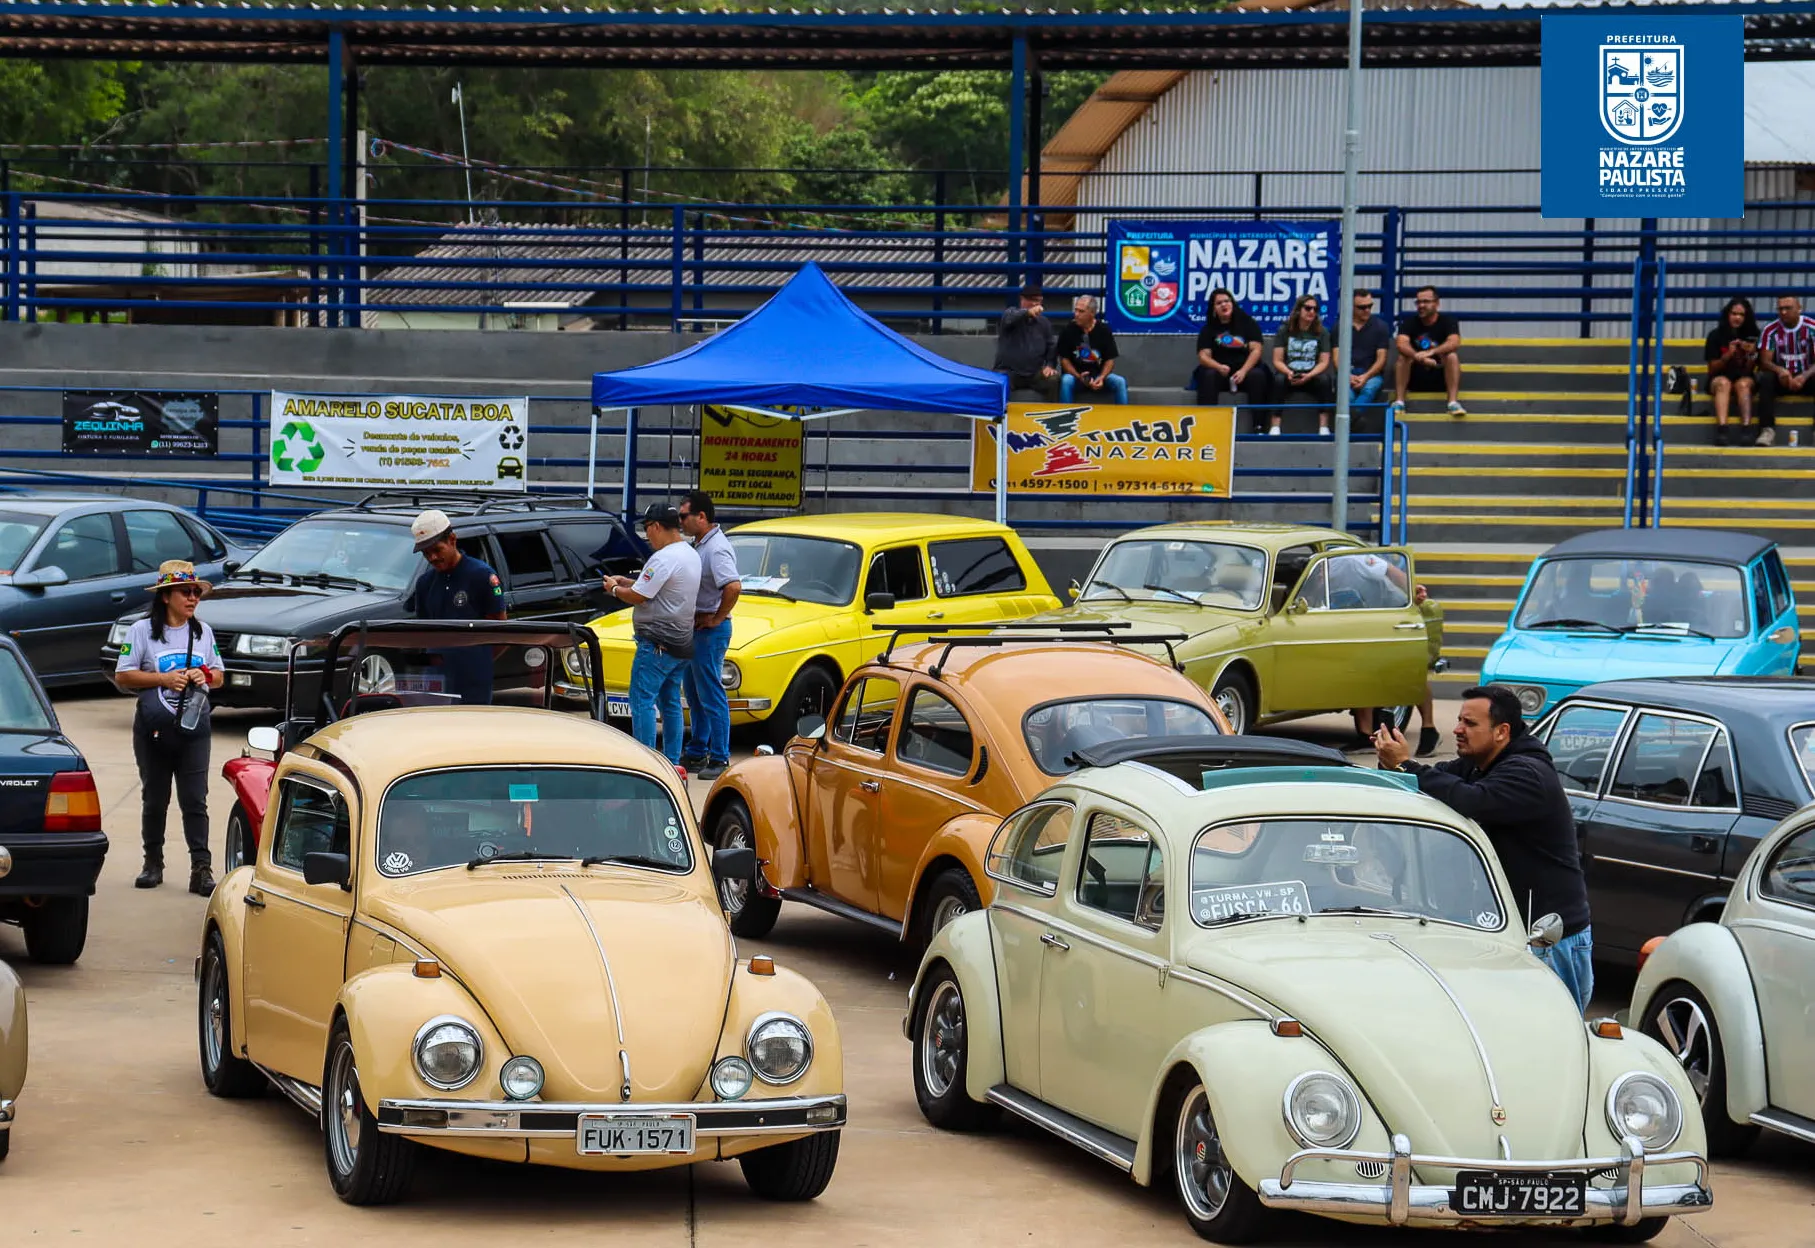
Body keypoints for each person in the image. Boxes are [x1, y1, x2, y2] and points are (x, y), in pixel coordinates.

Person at [1374, 686, 1594, 1011]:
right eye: (1460, 720)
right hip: (1508, 931)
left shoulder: (1527, 773)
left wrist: (1406, 764)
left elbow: (1473, 801)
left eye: (1470, 723)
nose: (1457, 729)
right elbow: (1434, 782)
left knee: (1553, 1032)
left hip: (1548, 938)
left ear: (1502, 731)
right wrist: (1395, 765)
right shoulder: (1479, 763)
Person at [113, 561, 225, 895]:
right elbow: (123, 675)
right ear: (166, 596)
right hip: (154, 729)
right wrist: (163, 678)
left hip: (195, 728)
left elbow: (219, 675)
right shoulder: (140, 631)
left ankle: (201, 869)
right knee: (154, 798)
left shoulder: (202, 632)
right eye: (185, 592)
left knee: (195, 800)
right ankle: (153, 863)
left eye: (196, 592)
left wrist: (202, 675)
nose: (193, 598)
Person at [605, 503, 701, 764]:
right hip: (682, 643)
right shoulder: (689, 553)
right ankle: (671, 762)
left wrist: (615, 589)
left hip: (657, 645)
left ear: (656, 526)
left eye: (648, 530)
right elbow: (657, 588)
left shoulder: (664, 557)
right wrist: (627, 582)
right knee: (670, 702)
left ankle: (644, 762)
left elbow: (638, 595)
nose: (648, 538)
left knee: (642, 701)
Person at [405, 508, 506, 705]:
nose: (432, 557)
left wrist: (477, 661)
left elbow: (501, 631)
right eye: (426, 553)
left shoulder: (481, 576)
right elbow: (424, 633)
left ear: (452, 540)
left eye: (437, 550)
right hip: (435, 679)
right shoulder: (425, 583)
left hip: (473, 680)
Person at [678, 490, 740, 780]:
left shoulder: (717, 549)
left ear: (701, 517)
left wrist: (716, 618)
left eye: (683, 516)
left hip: (709, 631)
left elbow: (733, 586)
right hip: (698, 628)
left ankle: (719, 756)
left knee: (711, 693)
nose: (680, 522)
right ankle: (697, 750)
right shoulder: (701, 544)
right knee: (694, 692)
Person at [1392, 286, 1466, 418]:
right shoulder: (1409, 322)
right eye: (1418, 302)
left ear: (1437, 303)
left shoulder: (1448, 321)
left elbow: (1454, 342)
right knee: (1403, 358)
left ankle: (1453, 403)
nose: (1421, 305)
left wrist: (1431, 352)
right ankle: (1399, 401)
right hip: (1415, 375)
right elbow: (1401, 343)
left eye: (1426, 302)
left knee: (1452, 356)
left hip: (1440, 374)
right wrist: (1418, 357)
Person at [1195, 288, 1271, 412]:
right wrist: (1218, 367)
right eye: (1219, 303)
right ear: (1214, 308)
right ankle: (1207, 422)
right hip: (1221, 371)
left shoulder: (1248, 323)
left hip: (1244, 371)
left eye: (1227, 301)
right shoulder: (1208, 329)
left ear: (1233, 303)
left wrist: (1243, 371)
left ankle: (1259, 427)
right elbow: (1203, 356)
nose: (1224, 305)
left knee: (1258, 376)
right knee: (1208, 376)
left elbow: (1256, 350)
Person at [1269, 294, 1335, 436]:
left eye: (1315, 309)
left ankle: (1324, 427)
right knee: (1278, 380)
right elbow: (1277, 360)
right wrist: (1288, 372)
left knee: (1325, 381)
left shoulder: (1322, 332)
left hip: (1311, 374)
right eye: (1308, 308)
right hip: (1289, 373)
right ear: (1299, 310)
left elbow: (1324, 361)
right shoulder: (1284, 330)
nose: (1312, 312)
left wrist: (1310, 375)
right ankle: (1275, 426)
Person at [1757, 293, 1815, 446]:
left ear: (1799, 308)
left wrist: (1804, 375)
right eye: (1780, 309)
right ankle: (1767, 430)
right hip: (1782, 379)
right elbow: (1764, 362)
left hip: (1807, 377)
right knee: (1766, 378)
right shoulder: (1770, 330)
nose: (1783, 312)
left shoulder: (1811, 327)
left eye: (1788, 308)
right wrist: (1779, 370)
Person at [1704, 296, 1760, 445]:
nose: (1737, 318)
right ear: (1727, 314)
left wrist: (1751, 354)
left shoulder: (1754, 335)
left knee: (1743, 384)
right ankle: (1722, 430)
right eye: (1734, 313)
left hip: (1743, 377)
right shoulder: (1715, 335)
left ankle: (1746, 429)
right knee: (1723, 383)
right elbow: (1712, 369)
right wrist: (1727, 355)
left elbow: (1750, 369)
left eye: (1741, 315)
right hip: (1719, 377)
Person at [1056, 294, 1127, 404]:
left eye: (1081, 311)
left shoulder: (1103, 330)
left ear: (1092, 313)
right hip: (1076, 376)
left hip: (1099, 375)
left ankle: (1123, 417)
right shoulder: (1068, 330)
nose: (1076, 315)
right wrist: (1079, 377)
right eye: (1076, 310)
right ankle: (1064, 415)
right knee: (1066, 381)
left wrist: (1102, 377)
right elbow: (1064, 360)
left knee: (1120, 382)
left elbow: (1110, 360)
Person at [993, 283, 1058, 401]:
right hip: (1010, 371)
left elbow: (1051, 346)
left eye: (1038, 301)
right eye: (1031, 300)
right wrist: (1027, 313)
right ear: (1022, 299)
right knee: (999, 380)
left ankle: (1052, 416)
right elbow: (1009, 318)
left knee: (1053, 379)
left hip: (1034, 373)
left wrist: (1049, 365)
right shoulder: (1010, 314)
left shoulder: (1044, 323)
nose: (1034, 304)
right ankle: (999, 417)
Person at [1347, 289, 1393, 425]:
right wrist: (1347, 375)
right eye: (1362, 307)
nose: (1367, 310)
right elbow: (1337, 357)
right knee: (1346, 395)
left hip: (1372, 374)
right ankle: (1354, 422)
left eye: (1370, 306)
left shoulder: (1381, 327)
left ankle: (1349, 423)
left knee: (1369, 388)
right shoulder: (1341, 327)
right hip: (1347, 373)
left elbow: (1381, 359)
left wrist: (1365, 376)